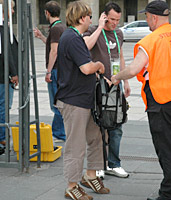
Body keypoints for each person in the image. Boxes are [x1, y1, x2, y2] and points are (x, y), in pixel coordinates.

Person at [111, 1, 171, 200]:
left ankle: (170, 194)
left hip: (163, 99)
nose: (146, 20)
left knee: (166, 148)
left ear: (154, 17)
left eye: (147, 17)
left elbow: (134, 70)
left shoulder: (151, 41)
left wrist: (117, 77)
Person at [54, 1, 110, 199]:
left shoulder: (74, 37)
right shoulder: (71, 37)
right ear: (81, 18)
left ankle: (90, 175)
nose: (91, 19)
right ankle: (72, 185)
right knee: (75, 145)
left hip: (85, 99)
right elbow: (86, 68)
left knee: (96, 138)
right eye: (89, 16)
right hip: (74, 101)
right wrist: (98, 65)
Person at [84, 2, 131, 179]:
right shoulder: (94, 30)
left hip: (115, 84)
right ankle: (98, 165)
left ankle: (114, 163)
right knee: (99, 126)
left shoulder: (118, 33)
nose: (114, 23)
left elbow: (120, 56)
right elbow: (86, 47)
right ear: (104, 16)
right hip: (99, 86)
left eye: (117, 20)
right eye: (111, 19)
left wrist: (125, 80)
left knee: (116, 124)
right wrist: (100, 26)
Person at [34, 1, 66, 142]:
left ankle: (59, 134)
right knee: (60, 102)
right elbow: (53, 45)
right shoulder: (61, 27)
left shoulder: (55, 29)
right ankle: (61, 132)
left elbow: (54, 51)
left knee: (56, 104)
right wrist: (41, 37)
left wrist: (48, 71)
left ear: (47, 12)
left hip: (56, 71)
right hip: (62, 70)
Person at [0, 0, 18, 151]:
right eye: (11, 9)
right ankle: (2, 138)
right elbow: (7, 53)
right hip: (3, 76)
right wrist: (14, 73)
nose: (13, 12)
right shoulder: (3, 27)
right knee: (3, 106)